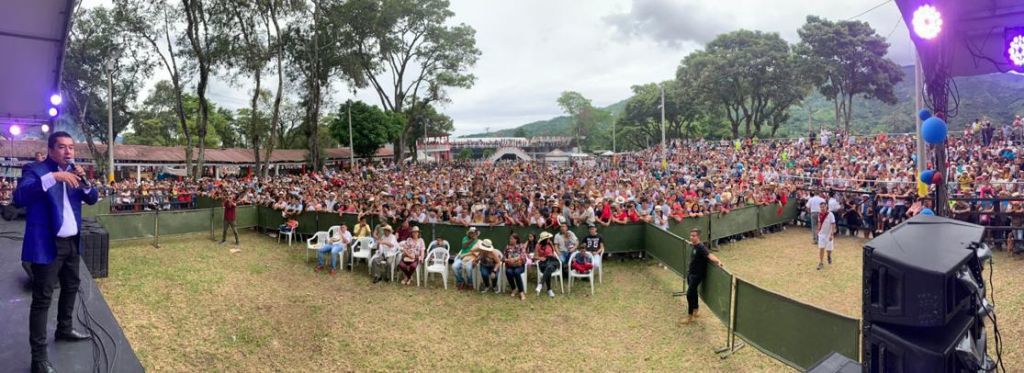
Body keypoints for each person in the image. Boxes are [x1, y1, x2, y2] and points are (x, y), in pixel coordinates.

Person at [14, 131, 99, 373]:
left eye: (71, 147)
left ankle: (64, 328)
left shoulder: (75, 171)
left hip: (72, 242)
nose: (68, 151)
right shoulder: (36, 170)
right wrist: (54, 176)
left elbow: (92, 199)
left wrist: (84, 182)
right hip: (47, 243)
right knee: (42, 299)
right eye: (62, 147)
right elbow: (19, 197)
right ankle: (38, 359)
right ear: (51, 150)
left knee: (71, 287)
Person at [685, 228, 722, 324]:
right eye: (691, 235)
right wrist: (689, 243)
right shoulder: (694, 245)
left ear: (698, 237)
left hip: (697, 275)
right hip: (691, 272)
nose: (691, 237)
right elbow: (692, 244)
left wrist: (718, 261)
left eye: (694, 236)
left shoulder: (701, 247)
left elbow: (709, 255)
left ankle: (690, 316)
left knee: (689, 294)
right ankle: (696, 309)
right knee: (693, 292)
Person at [533, 231, 559, 298]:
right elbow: (534, 257)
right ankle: (549, 290)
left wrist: (552, 255)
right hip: (543, 262)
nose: (549, 239)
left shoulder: (550, 243)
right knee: (549, 268)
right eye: (548, 238)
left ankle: (541, 284)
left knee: (549, 266)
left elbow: (554, 253)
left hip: (552, 261)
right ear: (544, 240)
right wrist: (540, 258)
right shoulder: (538, 245)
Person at [503, 233, 527, 300]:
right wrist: (508, 260)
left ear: (516, 240)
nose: (510, 240)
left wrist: (515, 259)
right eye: (510, 238)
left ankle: (521, 292)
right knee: (508, 271)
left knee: (516, 272)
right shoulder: (507, 247)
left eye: (511, 239)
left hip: (520, 266)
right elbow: (503, 257)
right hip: (510, 266)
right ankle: (513, 289)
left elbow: (523, 256)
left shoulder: (521, 246)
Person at [817, 201, 836, 270]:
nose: (822, 208)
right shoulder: (819, 214)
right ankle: (821, 262)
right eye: (821, 207)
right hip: (822, 234)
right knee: (821, 248)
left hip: (829, 234)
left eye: (823, 207)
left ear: (826, 207)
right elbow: (819, 222)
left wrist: (832, 234)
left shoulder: (830, 214)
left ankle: (829, 256)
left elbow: (833, 224)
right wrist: (818, 230)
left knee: (829, 249)